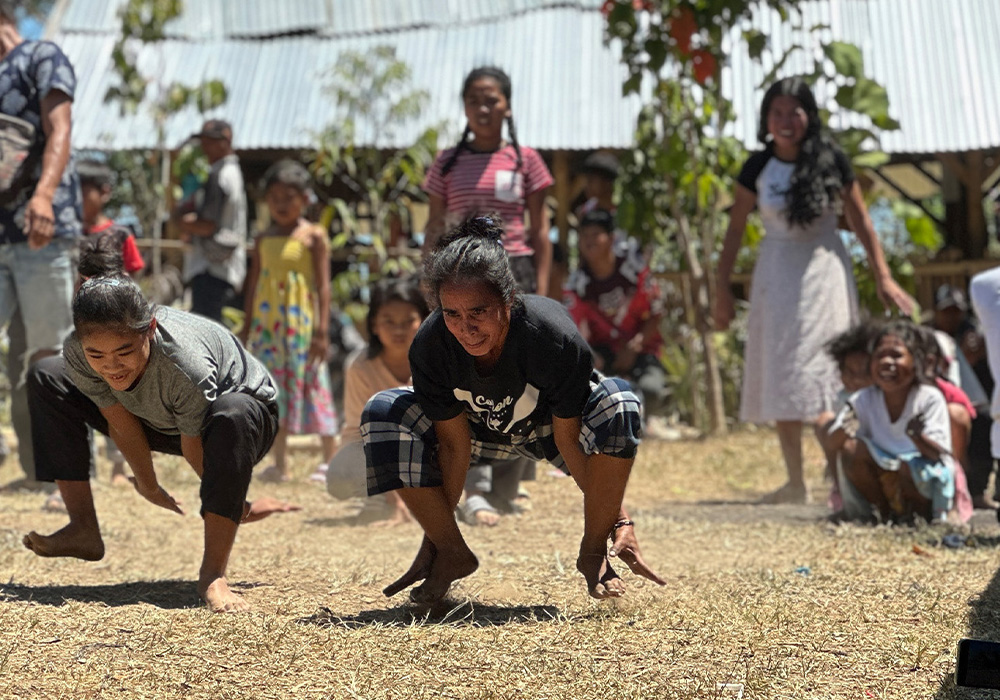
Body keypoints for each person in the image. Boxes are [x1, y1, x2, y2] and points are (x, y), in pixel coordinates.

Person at [360, 216, 664, 607]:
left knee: (620, 400)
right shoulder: (432, 345)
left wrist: (611, 525)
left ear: (507, 302)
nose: (466, 328)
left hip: (550, 431)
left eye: (478, 312)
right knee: (383, 410)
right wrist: (438, 540)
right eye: (452, 314)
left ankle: (590, 554)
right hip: (477, 434)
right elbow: (454, 449)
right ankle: (454, 555)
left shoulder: (552, 337)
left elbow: (569, 443)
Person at [22, 248, 298, 613]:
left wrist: (232, 502)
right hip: (154, 416)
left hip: (238, 420)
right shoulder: (78, 351)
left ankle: (213, 575)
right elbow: (120, 420)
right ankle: (82, 528)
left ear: (149, 329)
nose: (112, 367)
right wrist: (147, 483)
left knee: (231, 412)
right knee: (48, 374)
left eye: (124, 351)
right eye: (97, 356)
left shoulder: (185, 366)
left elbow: (194, 444)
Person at [714, 77, 915, 505]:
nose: (786, 121)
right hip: (776, 271)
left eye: (795, 112)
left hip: (825, 268)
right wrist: (721, 288)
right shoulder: (755, 167)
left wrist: (883, 276)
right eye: (777, 113)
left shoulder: (832, 160)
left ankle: (838, 476)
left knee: (833, 366)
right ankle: (794, 481)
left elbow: (861, 219)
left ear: (810, 116)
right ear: (766, 119)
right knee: (782, 365)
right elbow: (734, 230)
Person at [422, 66, 554, 522]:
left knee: (523, 379)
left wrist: (546, 289)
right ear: (463, 106)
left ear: (507, 105)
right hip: (459, 278)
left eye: (492, 98)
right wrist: (430, 282)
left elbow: (541, 231)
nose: (483, 107)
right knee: (469, 376)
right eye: (474, 98)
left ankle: (509, 485)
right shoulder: (447, 163)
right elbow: (435, 226)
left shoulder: (527, 161)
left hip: (514, 272)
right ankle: (474, 484)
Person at [0, 4, 82, 488]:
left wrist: (45, 195)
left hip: (40, 233)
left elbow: (61, 128)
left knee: (49, 354)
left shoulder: (41, 56)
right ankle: (36, 470)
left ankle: (65, 477)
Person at [239, 160, 337, 482]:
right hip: (269, 329)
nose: (282, 203)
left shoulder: (314, 236)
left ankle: (330, 461)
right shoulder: (263, 238)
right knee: (272, 388)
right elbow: (253, 283)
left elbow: (323, 285)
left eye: (290, 196)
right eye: (275, 196)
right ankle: (280, 465)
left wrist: (322, 330)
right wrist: (247, 324)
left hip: (302, 329)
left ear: (304, 199)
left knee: (313, 383)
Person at [827, 321, 966, 524]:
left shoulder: (928, 398)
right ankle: (883, 515)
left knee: (907, 467)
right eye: (880, 356)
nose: (887, 362)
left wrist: (917, 437)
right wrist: (845, 430)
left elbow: (939, 454)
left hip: (918, 479)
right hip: (883, 478)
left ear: (916, 362)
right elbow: (832, 443)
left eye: (896, 355)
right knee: (850, 449)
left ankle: (916, 516)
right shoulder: (863, 399)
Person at [326, 276, 429, 525]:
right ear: (373, 325)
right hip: (370, 450)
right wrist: (395, 501)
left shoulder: (436, 363)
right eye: (389, 321)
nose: (398, 330)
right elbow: (363, 434)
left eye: (408, 321)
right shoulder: (359, 367)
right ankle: (383, 497)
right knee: (340, 476)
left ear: (424, 322)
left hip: (427, 450)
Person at [564, 208, 667, 418]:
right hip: (603, 357)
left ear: (611, 238)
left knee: (652, 390)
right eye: (584, 236)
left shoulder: (634, 269)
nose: (588, 242)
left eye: (595, 235)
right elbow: (574, 333)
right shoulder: (577, 285)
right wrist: (595, 357)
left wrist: (635, 346)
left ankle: (648, 417)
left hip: (642, 351)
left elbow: (657, 310)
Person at [171, 119, 247, 323]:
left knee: (208, 336)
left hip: (212, 270)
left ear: (226, 141)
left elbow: (207, 226)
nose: (205, 146)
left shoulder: (220, 175)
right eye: (203, 140)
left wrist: (181, 220)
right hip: (224, 270)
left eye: (211, 140)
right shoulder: (232, 173)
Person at [930, 283, 996, 509]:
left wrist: (980, 354)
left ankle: (977, 491)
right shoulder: (926, 335)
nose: (951, 316)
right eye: (946, 311)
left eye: (956, 311)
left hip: (972, 403)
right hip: (934, 401)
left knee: (984, 420)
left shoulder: (975, 333)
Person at [815, 321, 880, 516]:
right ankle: (840, 489)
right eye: (849, 373)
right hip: (849, 449)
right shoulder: (844, 397)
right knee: (824, 422)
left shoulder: (880, 395)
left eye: (863, 373)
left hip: (876, 456)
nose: (856, 380)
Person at [78, 159, 144, 277]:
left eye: (83, 193)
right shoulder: (68, 235)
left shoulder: (120, 235)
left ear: (104, 193)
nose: (77, 200)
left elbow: (133, 275)